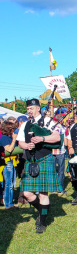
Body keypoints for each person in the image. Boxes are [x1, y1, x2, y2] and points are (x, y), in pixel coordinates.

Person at [17, 99, 62, 233]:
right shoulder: (25, 124)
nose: (29, 111)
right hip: (30, 161)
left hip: (45, 159)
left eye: (31, 108)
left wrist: (42, 139)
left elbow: (57, 138)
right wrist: (26, 145)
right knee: (27, 193)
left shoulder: (48, 122)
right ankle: (42, 210)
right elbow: (20, 142)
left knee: (43, 193)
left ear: (38, 108)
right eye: (28, 108)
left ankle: (42, 222)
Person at [0, 121, 19, 209]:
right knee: (8, 184)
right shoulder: (4, 138)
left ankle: (9, 202)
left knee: (11, 183)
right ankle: (8, 204)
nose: (14, 131)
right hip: (7, 162)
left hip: (12, 161)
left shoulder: (8, 137)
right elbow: (9, 149)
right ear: (9, 129)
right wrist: (14, 139)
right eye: (13, 129)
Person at [52, 114, 67, 193]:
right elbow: (65, 141)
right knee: (61, 170)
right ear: (61, 120)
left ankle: (53, 187)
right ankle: (60, 188)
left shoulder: (51, 128)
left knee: (53, 170)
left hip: (52, 151)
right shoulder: (61, 128)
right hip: (60, 151)